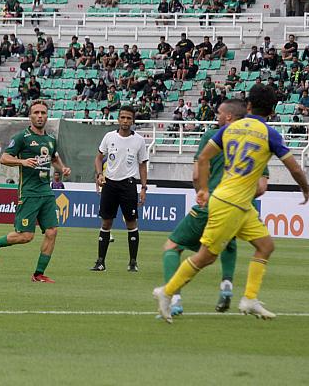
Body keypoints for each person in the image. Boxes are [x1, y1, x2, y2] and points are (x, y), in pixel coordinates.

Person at [154, 85, 309, 323]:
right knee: (206, 257)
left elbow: (203, 158)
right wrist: (306, 190)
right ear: (273, 110)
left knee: (266, 246)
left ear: (248, 106)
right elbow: (295, 168)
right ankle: (166, 292)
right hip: (230, 204)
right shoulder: (270, 134)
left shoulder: (231, 128)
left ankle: (249, 299)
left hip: (236, 202)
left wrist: (204, 189)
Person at [162, 99, 269, 317]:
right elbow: (261, 187)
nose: (217, 115)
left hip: (213, 201)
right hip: (239, 206)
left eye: (219, 112)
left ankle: (173, 299)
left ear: (229, 116)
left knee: (173, 246)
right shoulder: (259, 141)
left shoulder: (211, 137)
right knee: (233, 242)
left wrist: (201, 191)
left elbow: (196, 173)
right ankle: (227, 286)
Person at [0, 101, 71, 282]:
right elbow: (5, 158)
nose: (40, 116)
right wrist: (22, 162)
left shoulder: (51, 139)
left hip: (46, 192)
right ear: (30, 116)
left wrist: (62, 168)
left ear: (47, 116)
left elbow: (53, 158)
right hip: (29, 192)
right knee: (25, 236)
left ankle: (38, 274)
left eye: (43, 113)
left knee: (52, 232)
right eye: (36, 112)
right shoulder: (22, 137)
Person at [92, 105, 149, 272]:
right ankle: (100, 262)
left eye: (128, 118)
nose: (125, 121)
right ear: (118, 119)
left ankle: (133, 262)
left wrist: (144, 188)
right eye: (122, 117)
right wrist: (99, 174)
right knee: (106, 222)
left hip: (128, 185)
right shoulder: (109, 136)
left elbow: (143, 165)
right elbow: (98, 158)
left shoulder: (139, 140)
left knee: (131, 223)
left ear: (133, 120)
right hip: (110, 184)